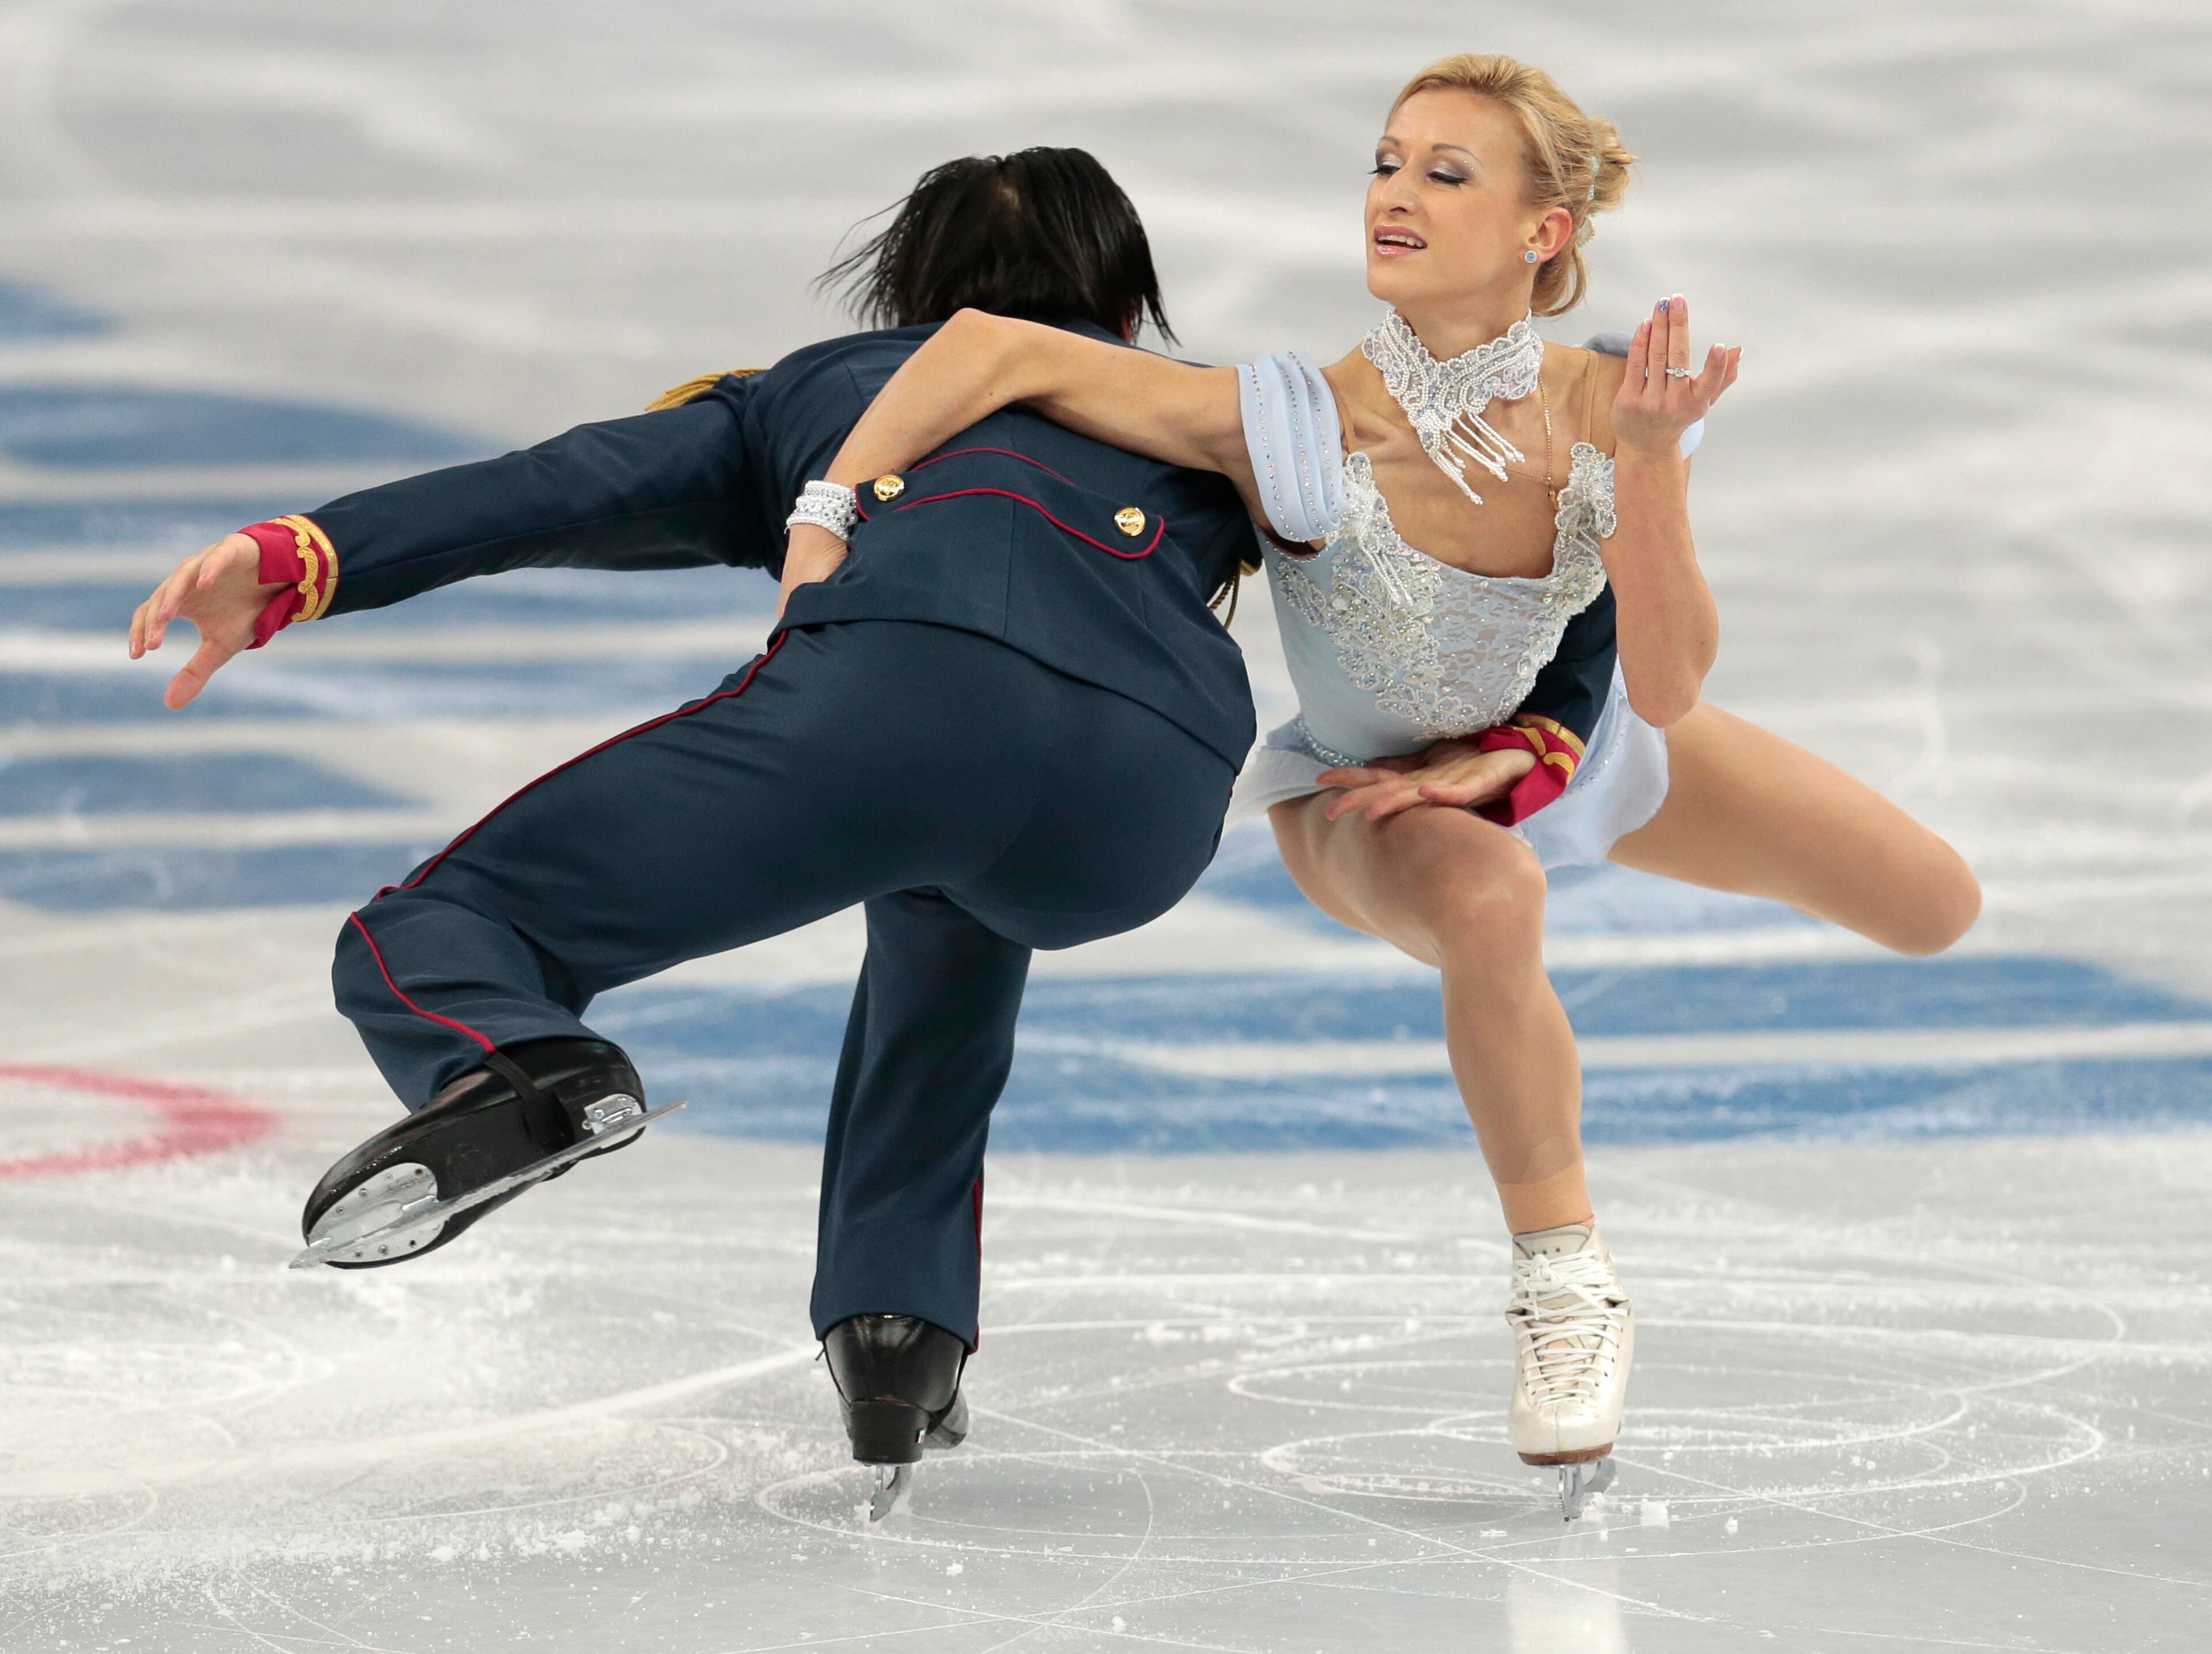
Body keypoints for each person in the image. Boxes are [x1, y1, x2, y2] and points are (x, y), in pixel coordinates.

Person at [785, 53, 1983, 1516]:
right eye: (1385, 161)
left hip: (1585, 749)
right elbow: (991, 348)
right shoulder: (1291, 421)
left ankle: (1565, 1183)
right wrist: (825, 513)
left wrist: (1655, 472)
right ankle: (1567, 1287)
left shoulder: (1613, 402)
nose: (1395, 196)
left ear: (1545, 230)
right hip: (1370, 799)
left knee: (1936, 904)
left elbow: (1666, 689)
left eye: (1445, 173)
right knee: (1493, 894)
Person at [124, 148, 1272, 1509]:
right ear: (1129, 312)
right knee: (946, 904)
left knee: (437, 929)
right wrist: (1523, 745)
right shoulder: (1215, 420)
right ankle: (896, 1327)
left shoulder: (833, 390)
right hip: (1153, 799)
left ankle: (527, 1064)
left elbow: (563, 486)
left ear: (902, 295)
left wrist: (308, 554)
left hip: (896, 712)